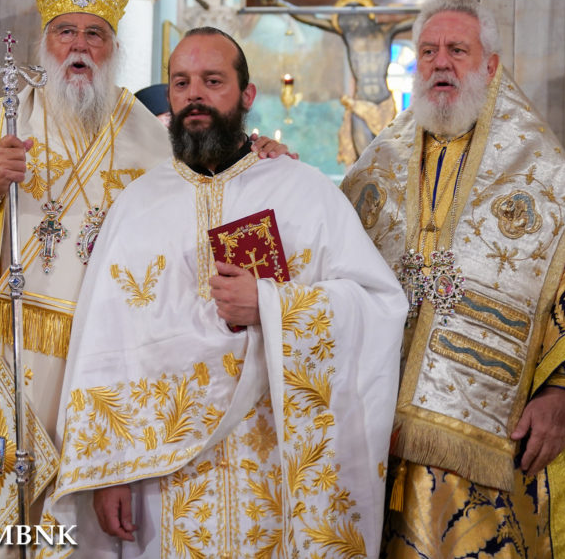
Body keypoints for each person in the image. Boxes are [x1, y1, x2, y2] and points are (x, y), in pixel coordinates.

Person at [0, 0, 288, 554]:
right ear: (46, 42)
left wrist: (260, 160)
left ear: (113, 46)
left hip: (100, 370)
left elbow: (214, 193)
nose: (79, 47)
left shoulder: (152, 139)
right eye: (66, 32)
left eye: (95, 34)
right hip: (3, 361)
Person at [38, 27, 407, 558]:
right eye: (181, 83)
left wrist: (272, 306)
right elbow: (105, 347)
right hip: (162, 480)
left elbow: (377, 304)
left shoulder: (303, 191)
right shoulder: (136, 206)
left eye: (213, 81)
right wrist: (108, 471)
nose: (195, 95)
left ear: (246, 94)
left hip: (274, 465)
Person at [340, 0, 565, 558]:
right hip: (377, 429)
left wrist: (562, 390)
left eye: (458, 50)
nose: (441, 63)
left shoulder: (541, 171)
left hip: (484, 434)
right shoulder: (372, 170)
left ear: (491, 65)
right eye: (428, 51)